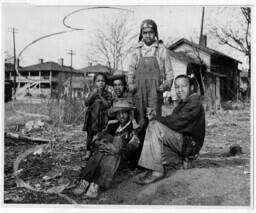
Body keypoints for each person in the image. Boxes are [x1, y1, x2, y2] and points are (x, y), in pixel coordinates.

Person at [135, 75, 205, 185]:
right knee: (154, 152)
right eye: (177, 87)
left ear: (191, 87)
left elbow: (176, 122)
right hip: (183, 144)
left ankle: (157, 171)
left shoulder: (194, 102)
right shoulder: (184, 103)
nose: (180, 90)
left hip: (189, 145)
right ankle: (182, 161)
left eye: (184, 86)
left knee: (154, 125)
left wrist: (156, 118)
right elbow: (173, 122)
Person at [73, 98, 140, 198]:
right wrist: (101, 144)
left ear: (129, 113)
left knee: (117, 140)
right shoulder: (112, 125)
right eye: (118, 113)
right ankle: (85, 180)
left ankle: (97, 183)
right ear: (115, 114)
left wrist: (118, 149)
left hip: (123, 160)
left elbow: (134, 146)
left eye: (124, 113)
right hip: (106, 158)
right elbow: (95, 140)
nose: (121, 116)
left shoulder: (134, 128)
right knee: (106, 139)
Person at [128, 19, 174, 143]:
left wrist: (165, 85)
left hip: (155, 90)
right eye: (145, 32)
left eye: (150, 32)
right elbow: (131, 70)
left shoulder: (161, 50)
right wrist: (130, 84)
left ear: (155, 33)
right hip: (139, 90)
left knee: (154, 120)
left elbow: (169, 73)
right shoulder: (136, 49)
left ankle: (153, 152)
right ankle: (139, 152)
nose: (148, 35)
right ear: (141, 34)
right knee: (140, 120)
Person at [82, 72, 113, 159]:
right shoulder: (92, 92)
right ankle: (88, 152)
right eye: (98, 81)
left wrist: (101, 96)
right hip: (92, 117)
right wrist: (94, 94)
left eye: (103, 81)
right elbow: (86, 103)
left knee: (100, 135)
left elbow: (108, 105)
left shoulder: (108, 94)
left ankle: (98, 151)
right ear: (95, 82)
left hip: (102, 118)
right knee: (90, 135)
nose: (101, 83)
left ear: (106, 83)